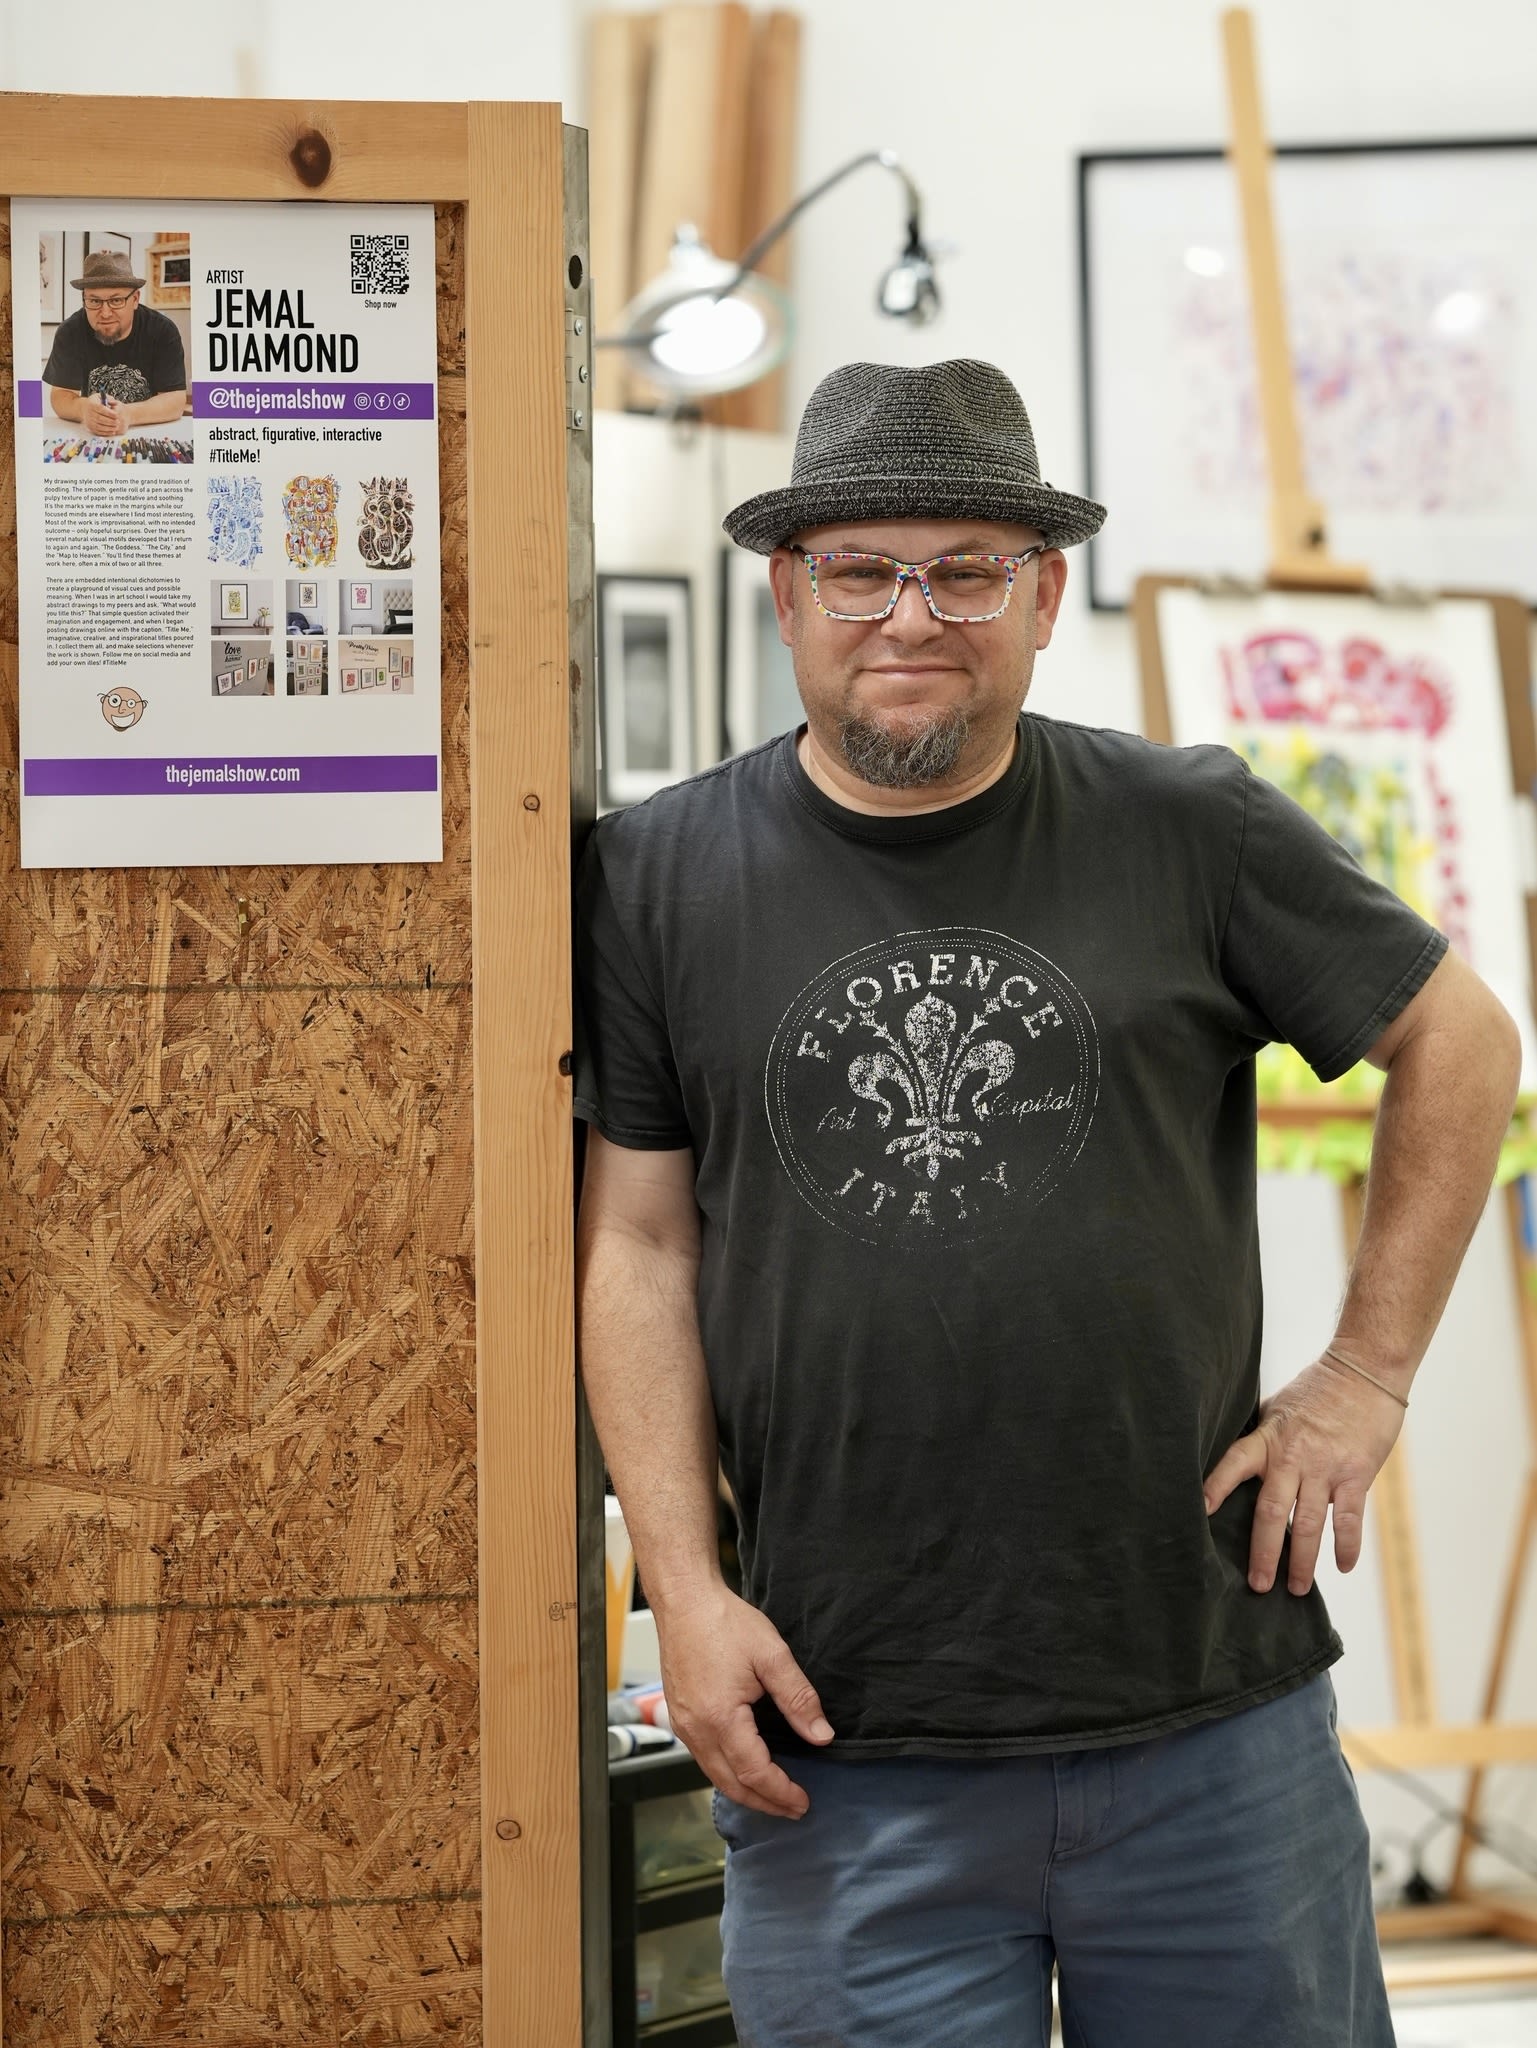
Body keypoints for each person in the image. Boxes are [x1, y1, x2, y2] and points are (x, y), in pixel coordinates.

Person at [574, 359, 1521, 2047]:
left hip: (1202, 1725)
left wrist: (1365, 1374)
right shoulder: (655, 877)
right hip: (839, 1738)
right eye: (860, 568)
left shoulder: (1190, 827)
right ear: (787, 591)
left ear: (1045, 596)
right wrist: (680, 1587)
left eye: (967, 569)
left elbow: (1455, 1033)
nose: (909, 614)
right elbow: (640, 1239)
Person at [44, 249, 188, 439]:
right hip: (93, 438)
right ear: (84, 299)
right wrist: (84, 408)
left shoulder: (163, 331)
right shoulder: (70, 331)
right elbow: (60, 395)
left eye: (116, 300)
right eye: (94, 300)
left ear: (135, 299)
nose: (105, 313)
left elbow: (176, 400)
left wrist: (129, 415)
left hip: (149, 434)